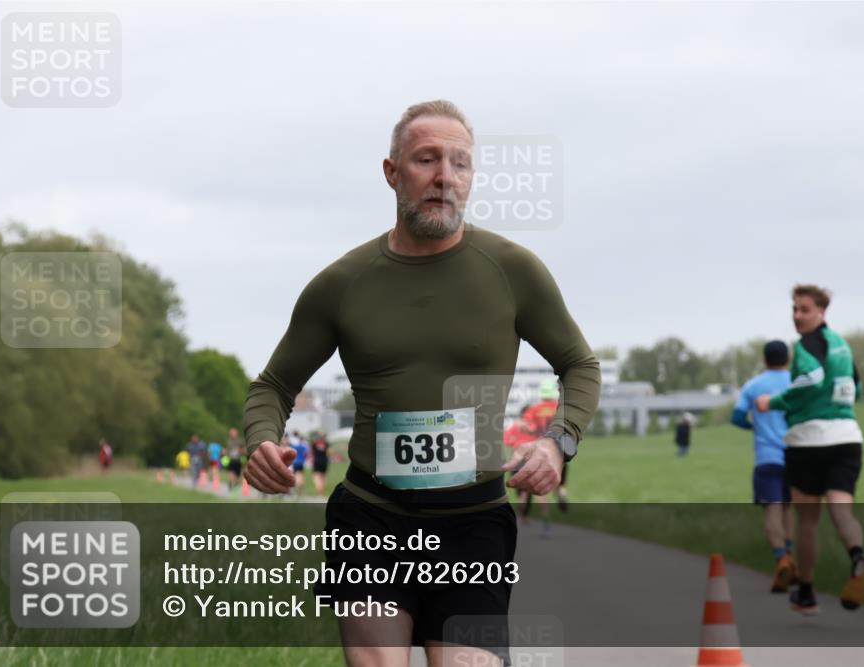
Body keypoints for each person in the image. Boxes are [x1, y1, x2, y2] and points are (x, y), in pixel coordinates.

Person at [243, 100, 601, 667]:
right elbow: (273, 385)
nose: (444, 177)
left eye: (460, 163)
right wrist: (262, 439)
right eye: (427, 160)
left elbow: (580, 365)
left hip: (474, 523)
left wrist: (559, 442)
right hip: (371, 517)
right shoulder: (342, 283)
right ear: (392, 172)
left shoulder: (513, 270)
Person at [756, 284, 864, 615]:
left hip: (808, 441)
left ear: (821, 311)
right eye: (794, 309)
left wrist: (775, 401)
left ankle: (806, 591)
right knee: (842, 511)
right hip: (847, 438)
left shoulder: (805, 345)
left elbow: (814, 378)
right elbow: (857, 389)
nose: (797, 316)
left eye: (804, 309)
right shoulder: (842, 345)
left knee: (807, 520)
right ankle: (858, 557)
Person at [731, 340, 796, 592]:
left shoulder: (753, 385)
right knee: (788, 508)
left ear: (765, 359)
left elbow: (737, 417)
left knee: (772, 509)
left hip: (767, 456)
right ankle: (790, 557)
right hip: (796, 453)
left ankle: (781, 559)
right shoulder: (796, 382)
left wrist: (754, 426)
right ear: (787, 359)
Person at [521, 379, 570, 515]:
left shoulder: (534, 409)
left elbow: (525, 427)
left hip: (542, 451)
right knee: (560, 481)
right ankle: (561, 492)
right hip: (559, 450)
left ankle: (545, 518)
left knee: (541, 486)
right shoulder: (560, 408)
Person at [309, 431, 330, 497]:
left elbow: (311, 453)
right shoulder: (326, 443)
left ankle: (319, 492)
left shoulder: (314, 444)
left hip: (317, 461)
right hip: (324, 461)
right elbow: (328, 452)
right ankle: (322, 493)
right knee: (324, 477)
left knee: (316, 477)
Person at [290, 431, 310, 496]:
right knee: (301, 477)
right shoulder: (303, 446)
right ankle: (301, 491)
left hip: (295, 463)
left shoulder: (294, 446)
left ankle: (298, 491)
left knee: (297, 477)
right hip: (301, 463)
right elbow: (306, 454)